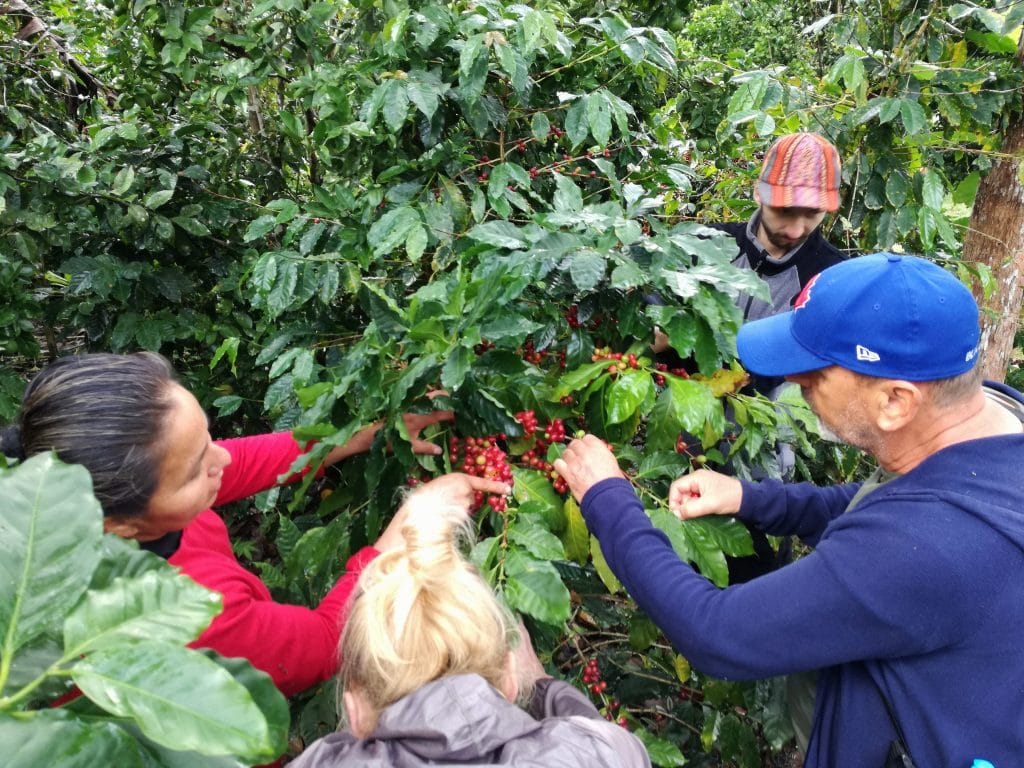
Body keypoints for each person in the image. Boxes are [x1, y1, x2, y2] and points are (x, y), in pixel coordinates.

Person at [555, 254, 1024, 767]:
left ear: (896, 401)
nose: (796, 380)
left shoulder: (928, 547)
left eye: (814, 376)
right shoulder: (996, 421)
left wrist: (607, 499)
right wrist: (748, 497)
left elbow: (718, 634)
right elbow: (882, 502)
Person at [0, 351, 509, 698]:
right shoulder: (184, 614)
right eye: (197, 468)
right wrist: (411, 526)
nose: (219, 458)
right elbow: (327, 642)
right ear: (119, 526)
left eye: (208, 439)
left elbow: (233, 463)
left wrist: (354, 436)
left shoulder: (50, 484)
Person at [289, 478, 651, 768]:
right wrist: (542, 686)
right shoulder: (594, 754)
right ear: (510, 679)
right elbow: (599, 740)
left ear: (354, 711)